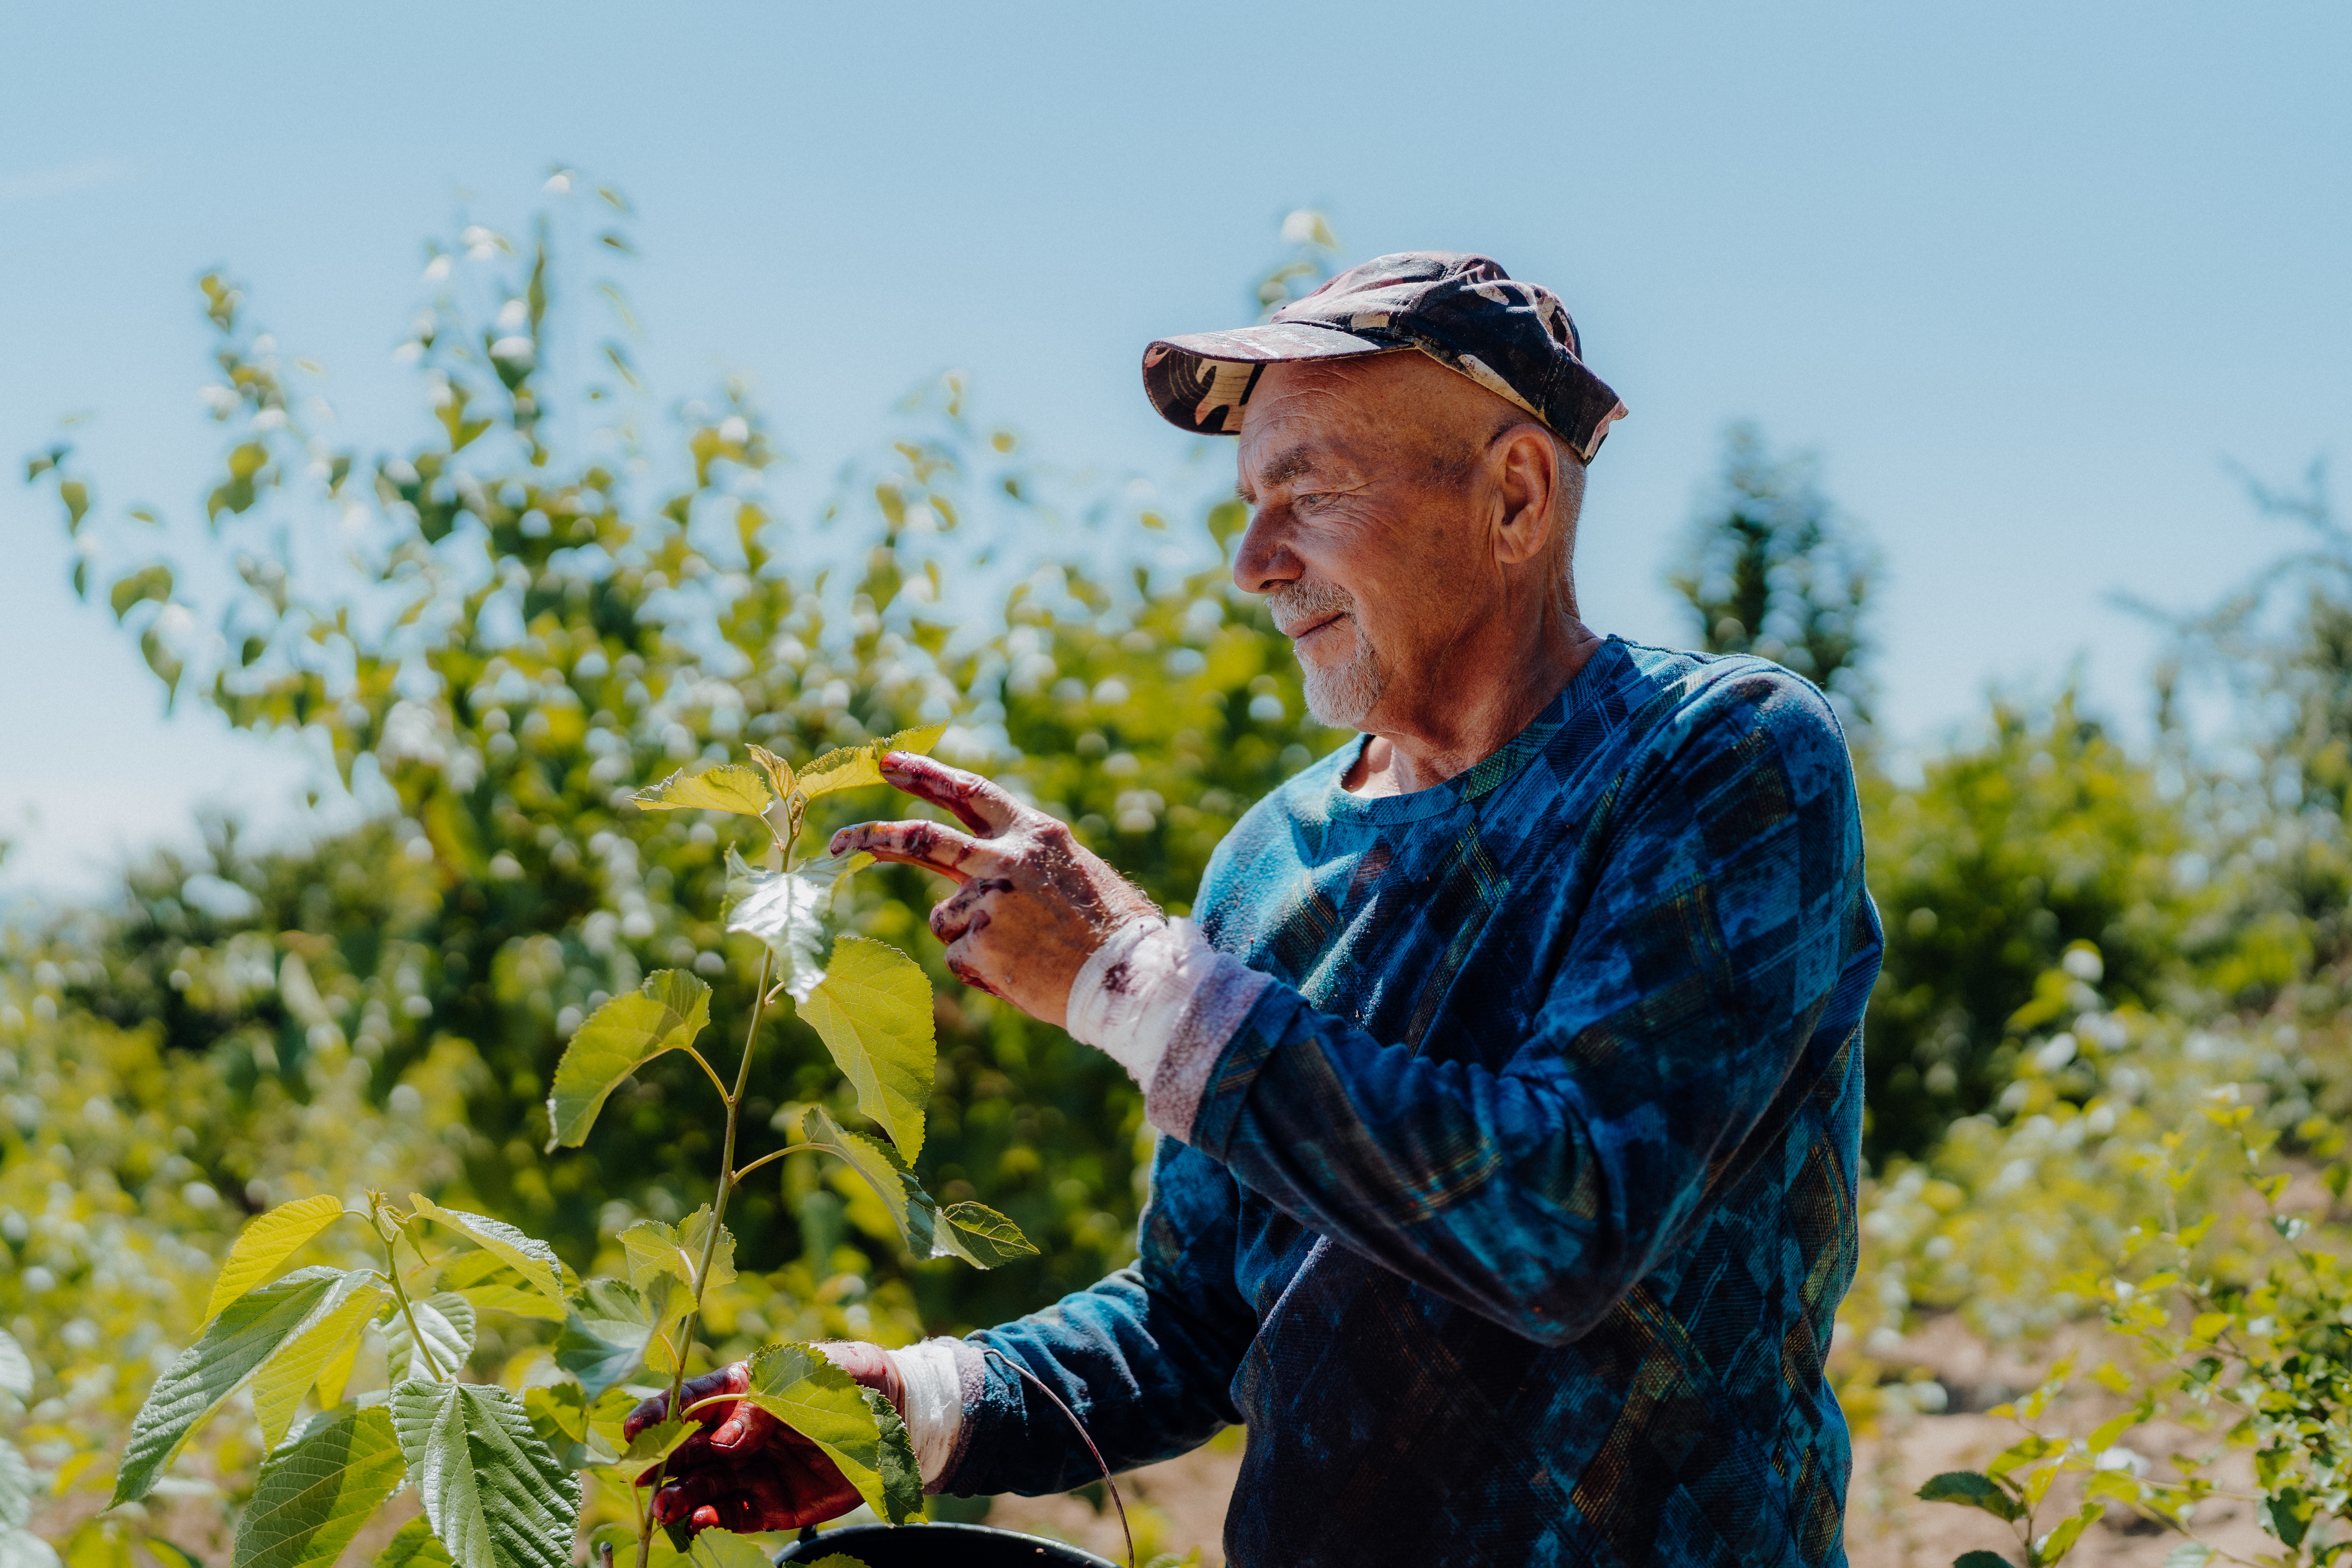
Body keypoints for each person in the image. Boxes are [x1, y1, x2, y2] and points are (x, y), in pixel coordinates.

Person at [627, 252, 1883, 1566]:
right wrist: (914, 1407)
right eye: (1247, 502)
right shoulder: (1269, 862)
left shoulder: (1718, 761)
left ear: (1515, 494)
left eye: (1312, 493)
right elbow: (1198, 1319)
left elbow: (1569, 1222)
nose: (1254, 563)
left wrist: (1134, 980)